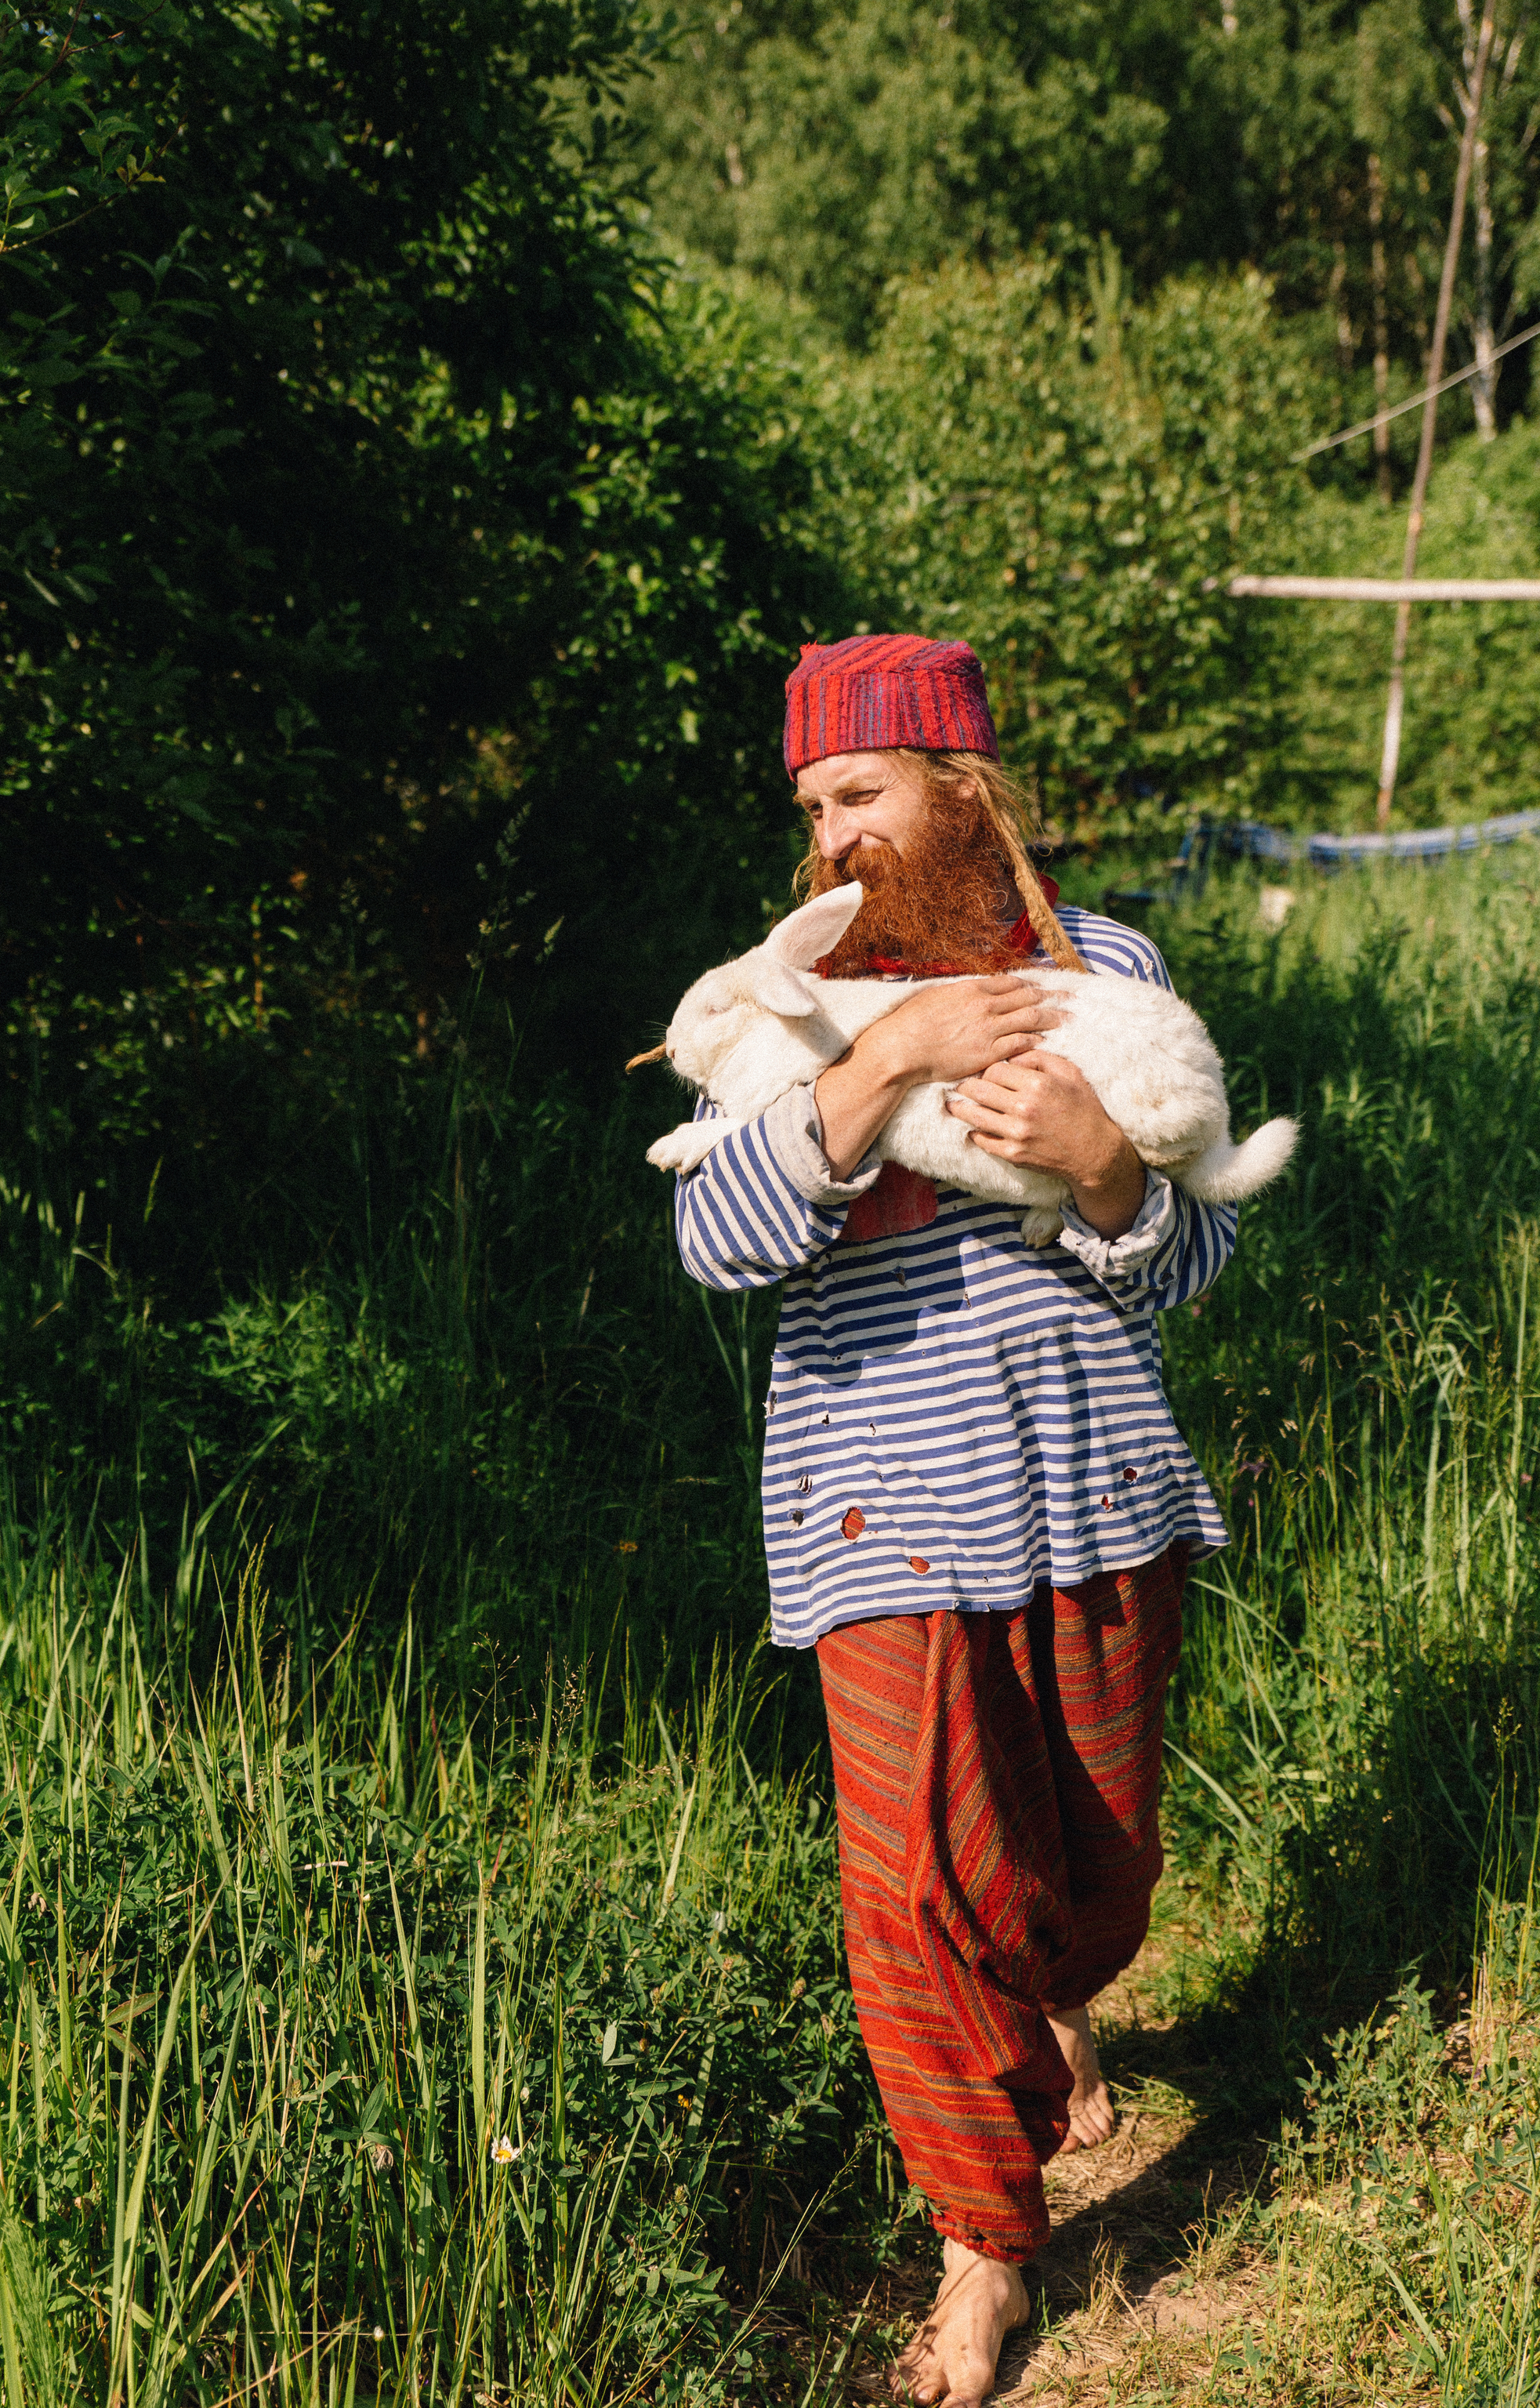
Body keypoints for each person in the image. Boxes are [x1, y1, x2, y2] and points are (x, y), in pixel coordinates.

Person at [672, 634, 1233, 2407]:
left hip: (1089, 1484)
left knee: (1090, 1849)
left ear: (960, 790)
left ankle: (1059, 1998)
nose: (832, 837)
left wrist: (1100, 1162)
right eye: (811, 806)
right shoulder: (785, 992)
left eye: (862, 794)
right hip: (875, 1500)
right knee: (919, 1889)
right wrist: (881, 1056)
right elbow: (716, 1244)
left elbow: (1193, 1256)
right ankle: (982, 2252)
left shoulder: (1103, 968)